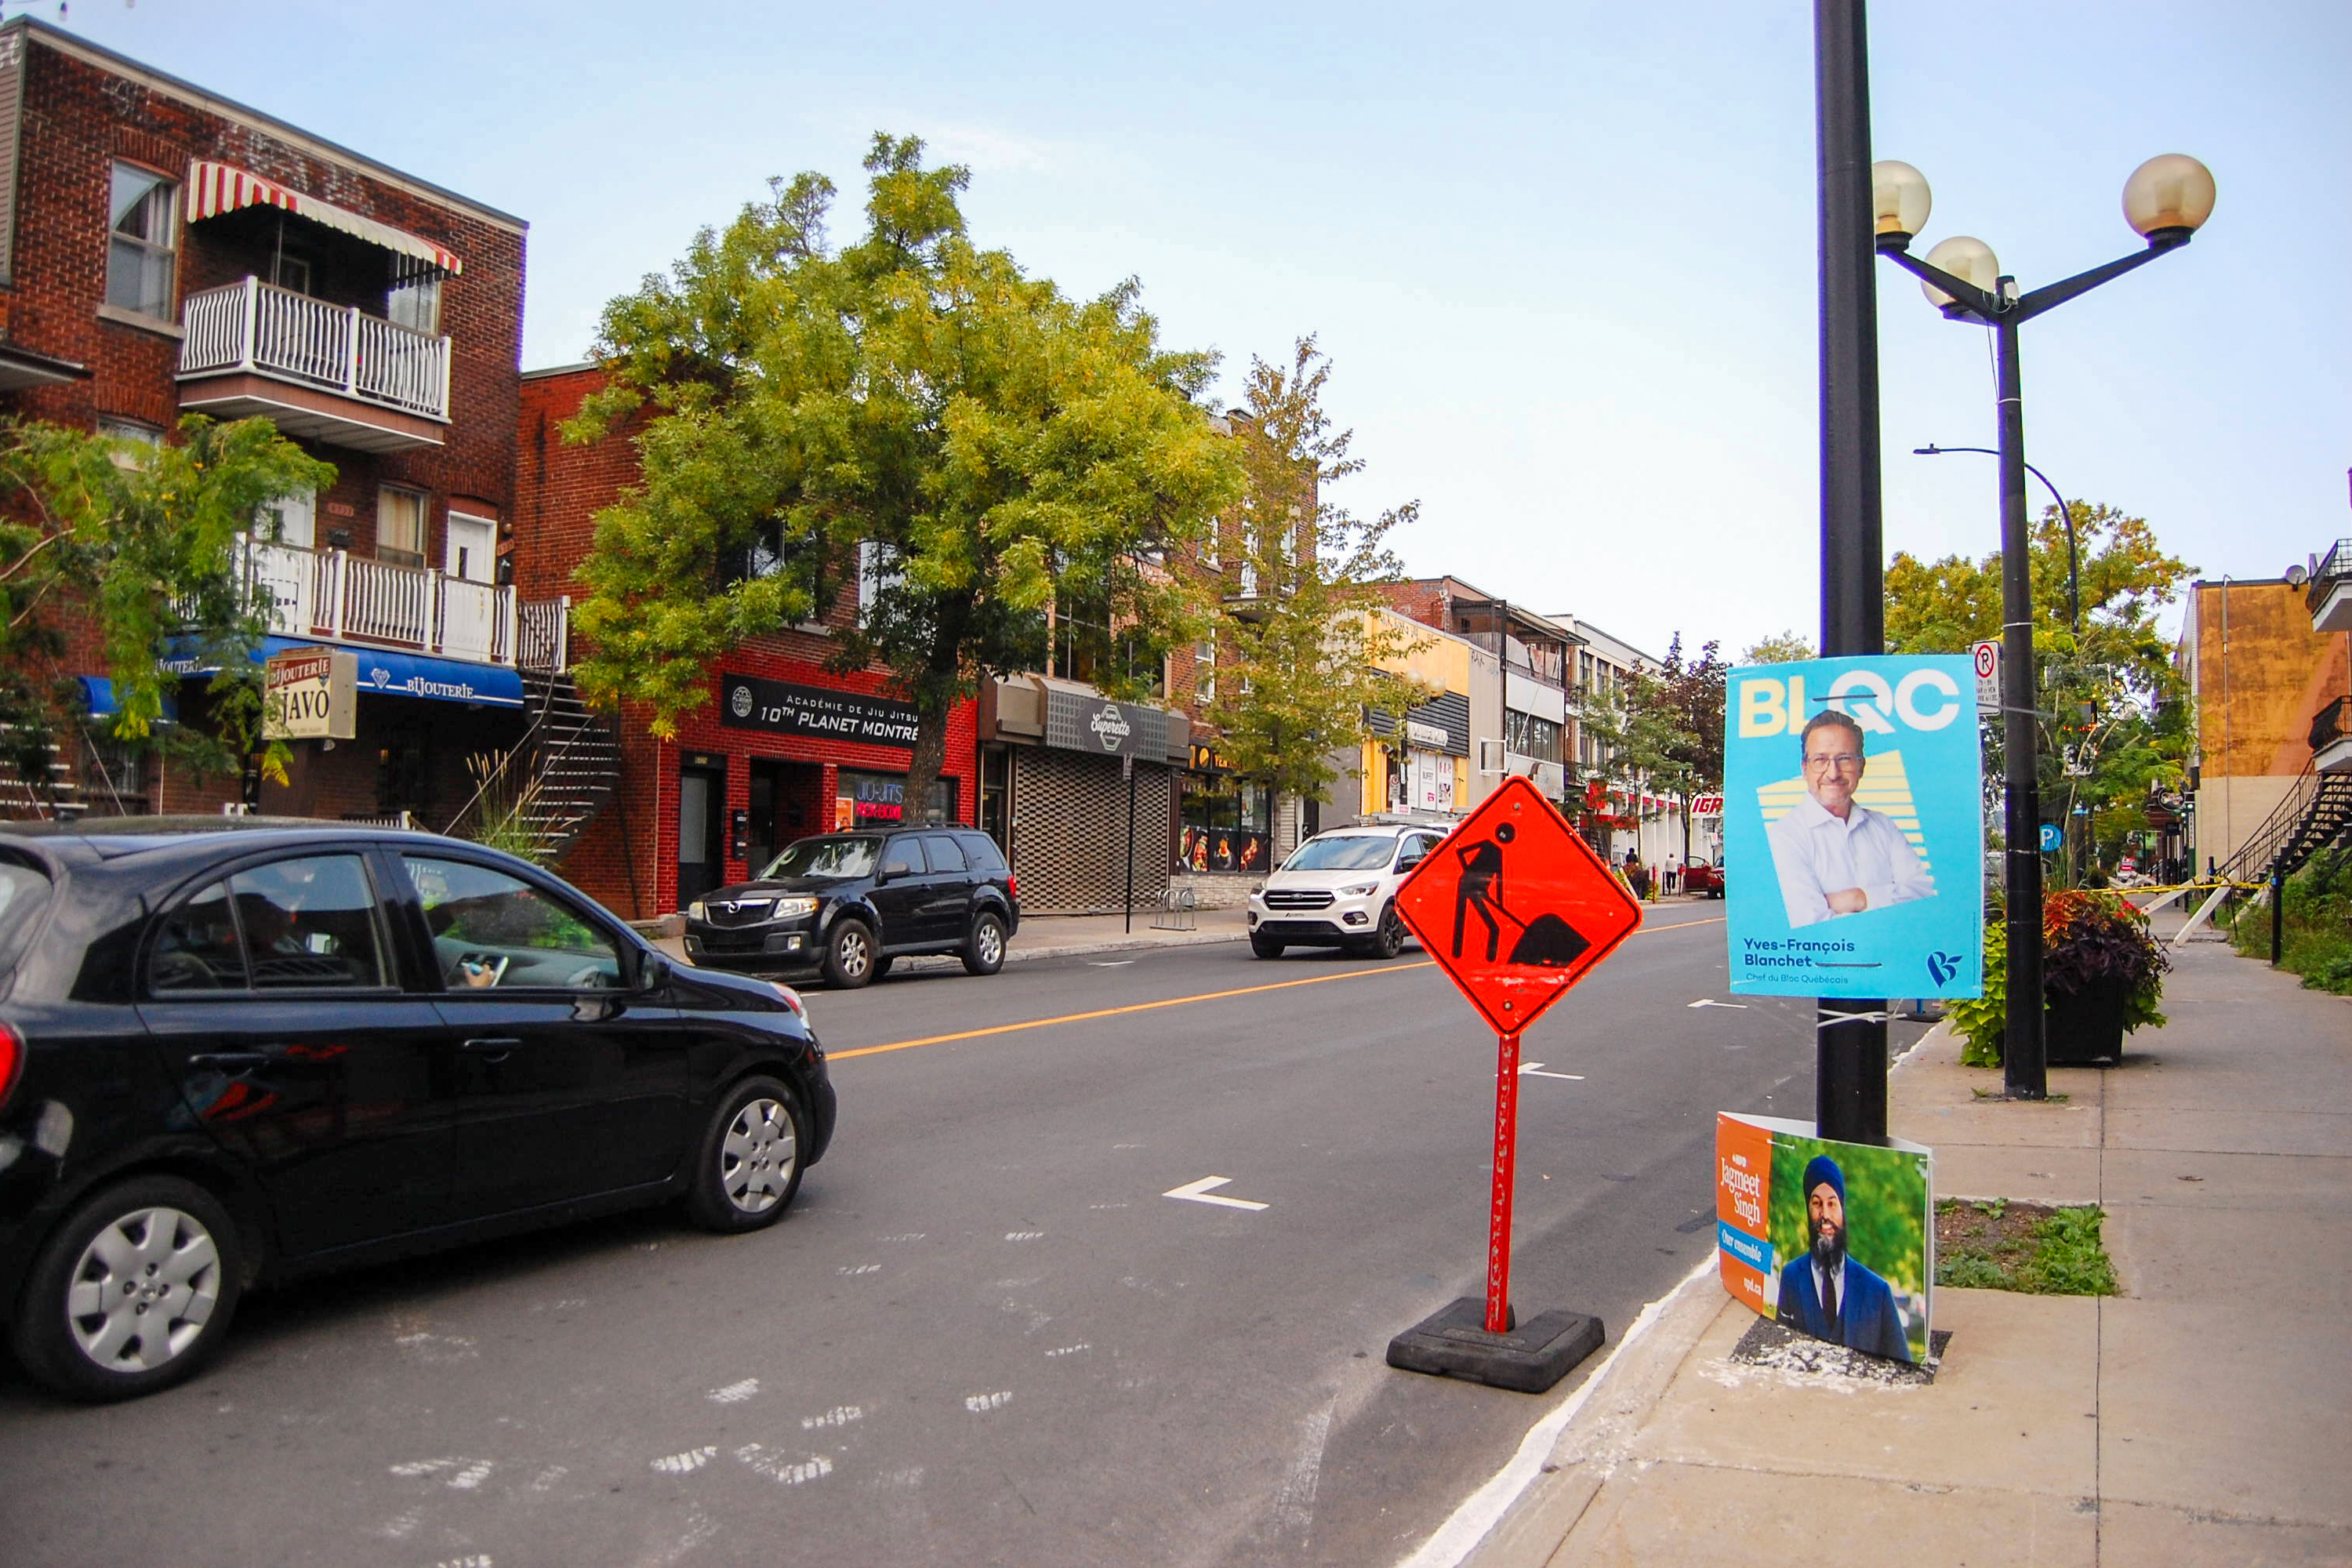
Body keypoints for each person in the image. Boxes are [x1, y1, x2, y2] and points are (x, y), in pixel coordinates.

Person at [1764, 710, 1935, 927]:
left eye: (1844, 759)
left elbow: (1923, 897)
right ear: (1804, 769)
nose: (1833, 773)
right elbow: (1810, 924)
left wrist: (1859, 898)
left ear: (1861, 766)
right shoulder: (1784, 835)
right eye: (1820, 760)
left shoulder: (1884, 825)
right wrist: (1889, 905)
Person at [1775, 1153, 1914, 1363]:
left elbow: (1902, 1366)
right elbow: (1781, 1349)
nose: (1825, 1215)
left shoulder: (1877, 1291)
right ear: (1808, 1208)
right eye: (1817, 1204)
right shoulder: (1792, 1276)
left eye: (1832, 1204)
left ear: (1842, 1209)